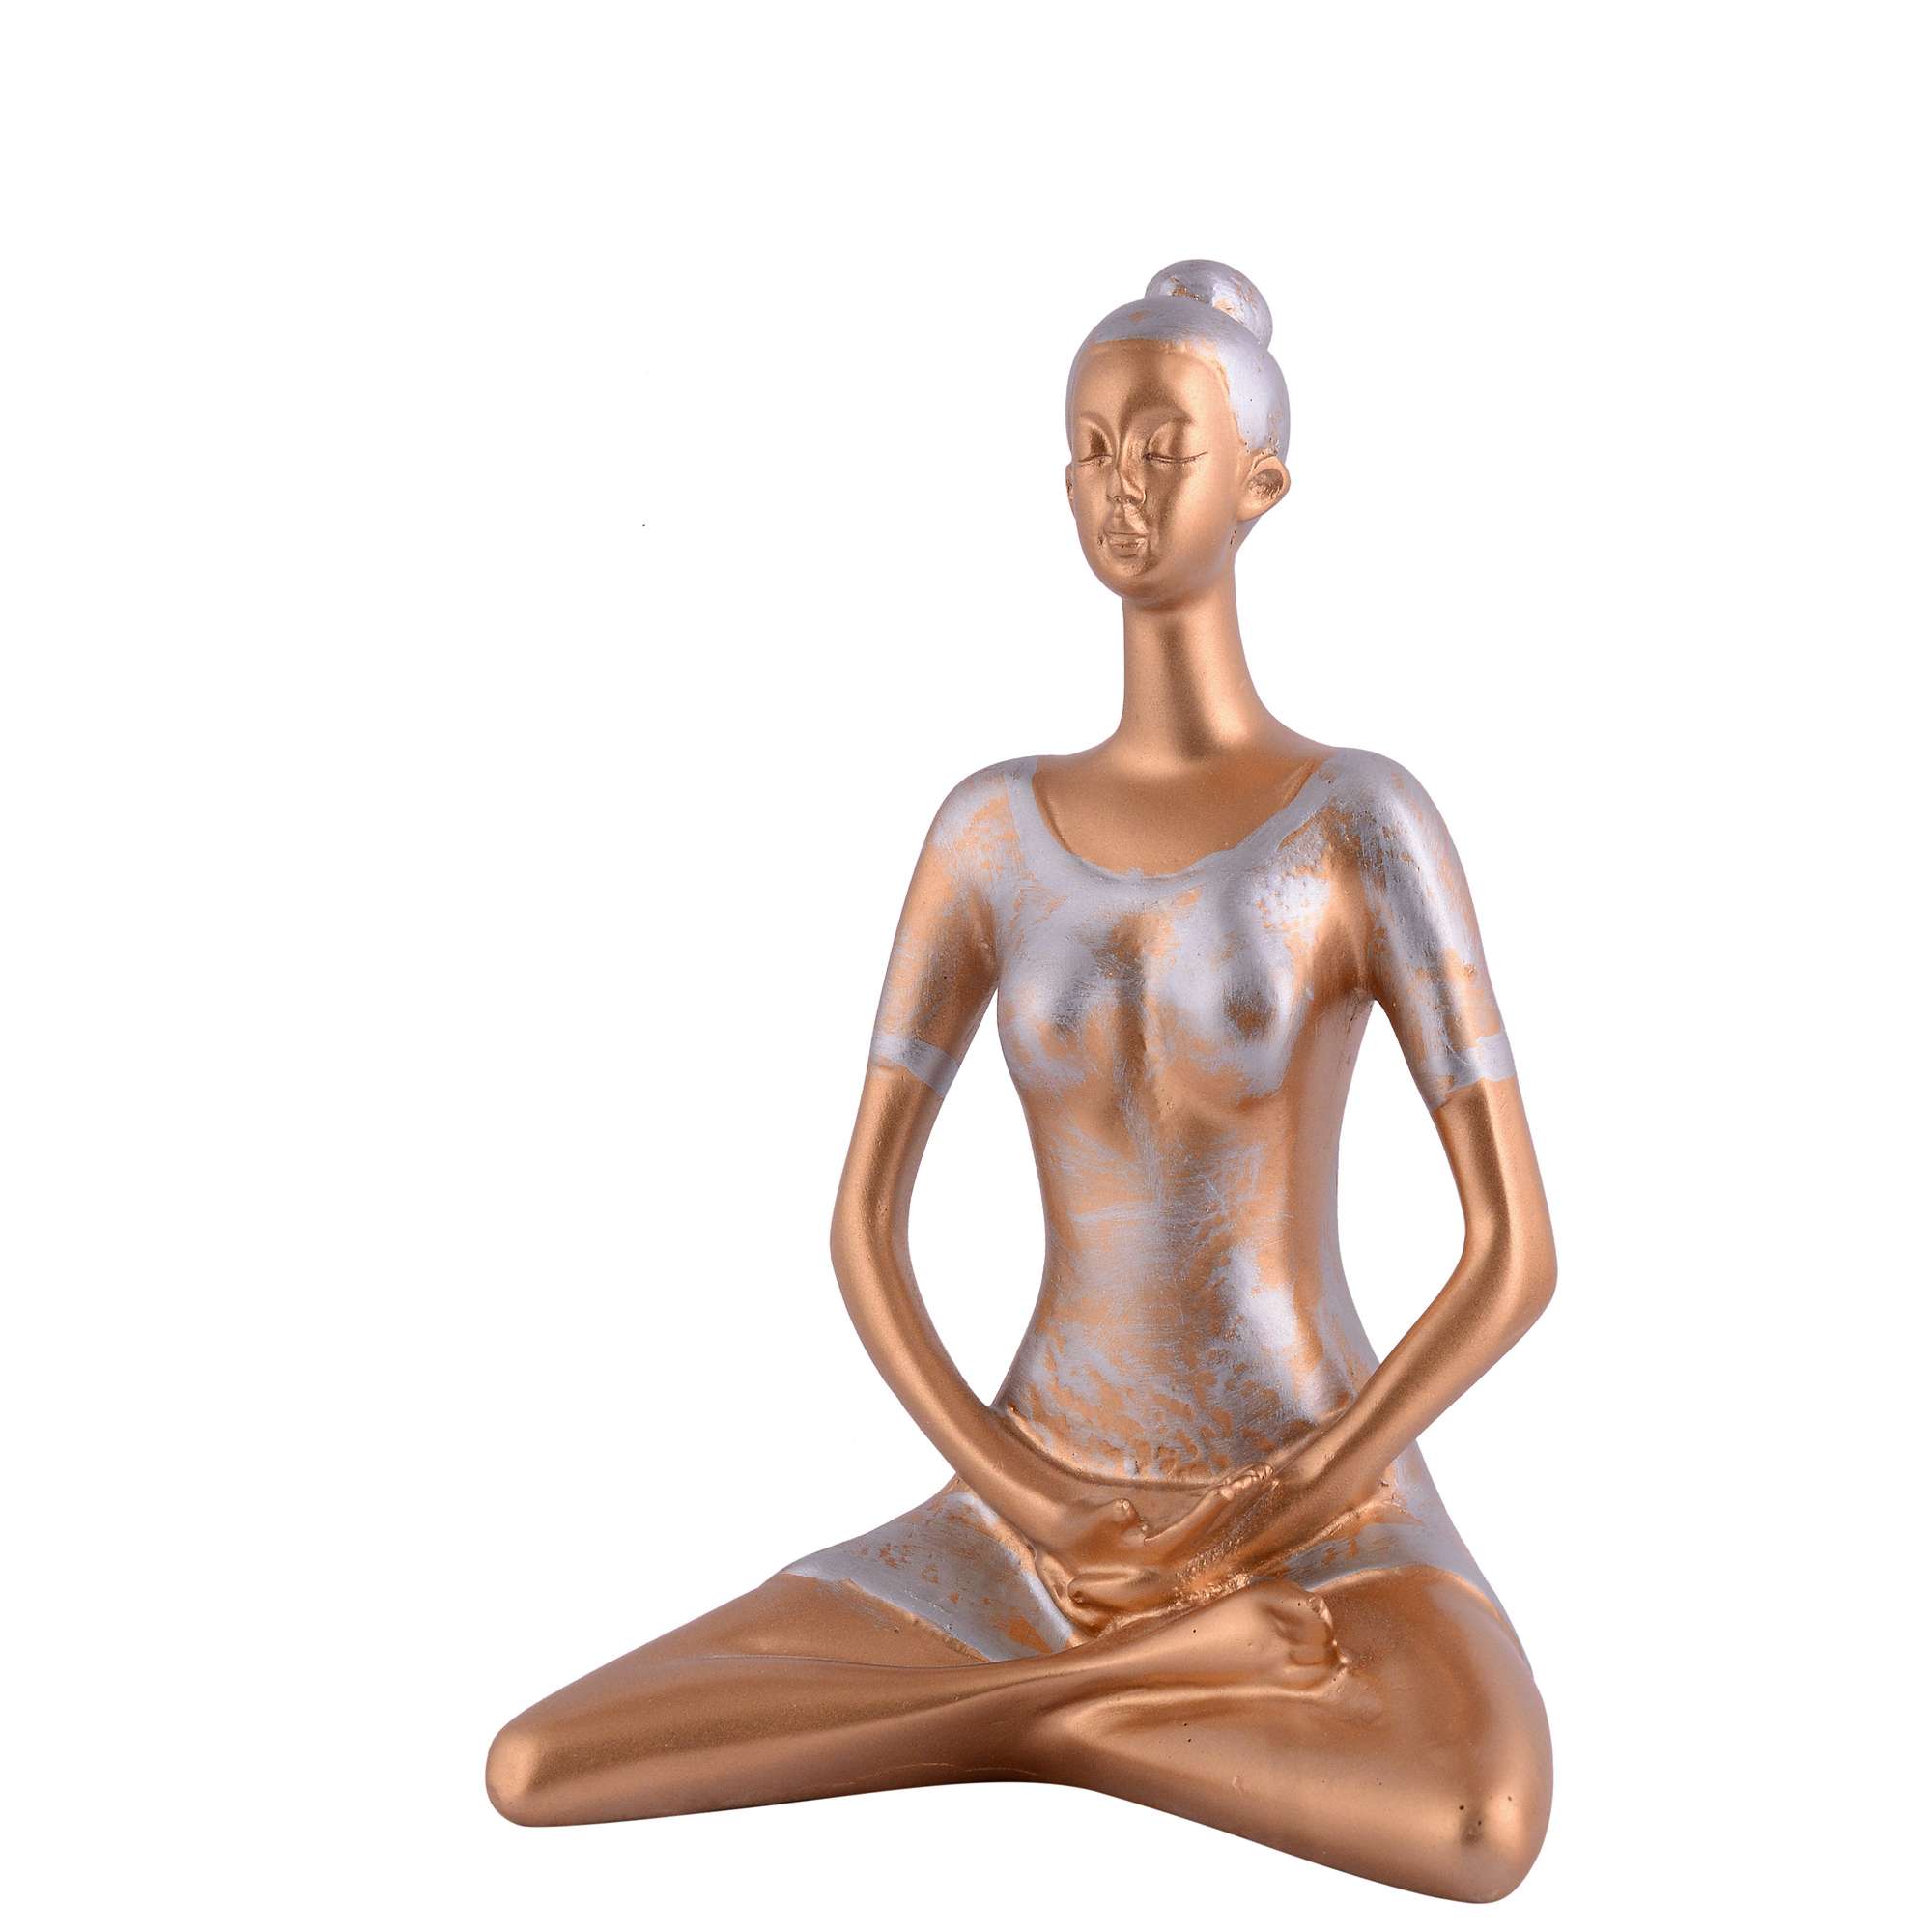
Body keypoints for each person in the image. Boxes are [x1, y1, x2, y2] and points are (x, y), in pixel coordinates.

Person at [487, 262, 1558, 1903]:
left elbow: (1514, 1254)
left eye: (1165, 451)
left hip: (1313, 1510)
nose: (1122, 488)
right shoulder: (987, 832)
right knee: (545, 1763)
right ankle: (1083, 1704)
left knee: (1478, 1815)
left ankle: (1025, 1709)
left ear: (1261, 484)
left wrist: (1282, 1500)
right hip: (1030, 1511)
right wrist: (1034, 1504)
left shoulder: (1360, 820)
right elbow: (862, 1228)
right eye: (1092, 450)